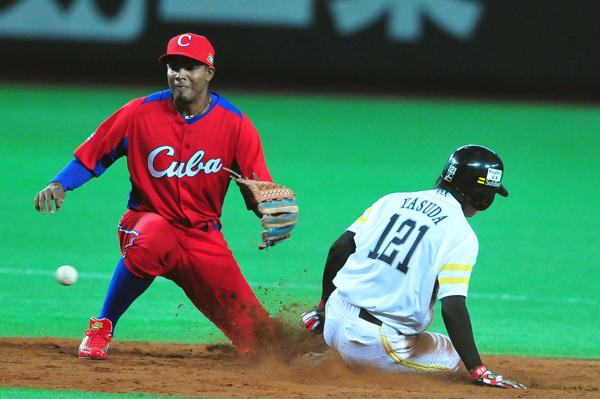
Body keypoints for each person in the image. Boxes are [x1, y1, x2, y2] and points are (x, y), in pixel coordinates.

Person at [34, 33, 297, 360]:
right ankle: (102, 326)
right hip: (145, 224)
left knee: (264, 343)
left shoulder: (236, 125)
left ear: (209, 74)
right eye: (173, 66)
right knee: (156, 237)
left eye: (190, 67)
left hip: (204, 240)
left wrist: (269, 212)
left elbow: (257, 186)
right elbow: (92, 156)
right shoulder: (138, 113)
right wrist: (60, 184)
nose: (179, 74)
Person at [301, 145, 526, 389]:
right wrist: (478, 369)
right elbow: (452, 307)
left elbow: (339, 249)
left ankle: (333, 352)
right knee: (449, 354)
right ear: (483, 198)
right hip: (372, 343)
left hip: (333, 319)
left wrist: (323, 306)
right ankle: (351, 363)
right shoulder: (461, 234)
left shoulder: (391, 200)